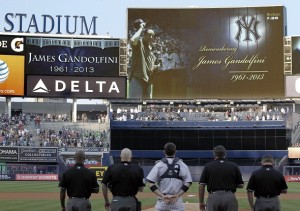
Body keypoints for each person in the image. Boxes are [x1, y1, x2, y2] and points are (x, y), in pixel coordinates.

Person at [146, 142, 193, 211]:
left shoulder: (159, 165)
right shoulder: (182, 164)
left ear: (164, 151)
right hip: (177, 202)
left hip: (162, 202)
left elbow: (150, 182)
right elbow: (188, 182)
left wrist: (162, 196)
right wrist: (178, 195)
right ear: (175, 151)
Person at [198, 145, 244, 211]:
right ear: (225, 153)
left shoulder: (208, 166)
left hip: (213, 197)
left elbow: (201, 185)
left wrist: (201, 202)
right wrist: (229, 184)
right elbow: (241, 185)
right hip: (229, 197)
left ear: (214, 154)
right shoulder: (234, 166)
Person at [128, 18, 160, 99]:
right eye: (149, 34)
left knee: (147, 107)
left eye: (153, 35)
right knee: (135, 104)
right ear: (144, 35)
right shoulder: (139, 43)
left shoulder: (151, 50)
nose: (151, 37)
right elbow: (132, 40)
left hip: (148, 81)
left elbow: (151, 66)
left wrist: (156, 67)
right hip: (137, 78)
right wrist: (141, 28)